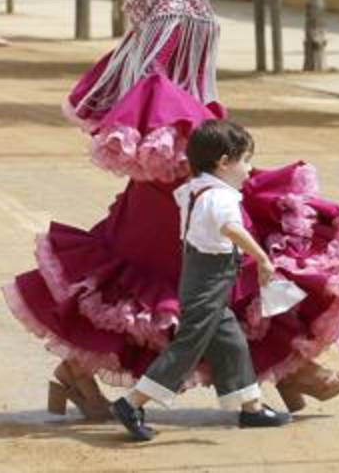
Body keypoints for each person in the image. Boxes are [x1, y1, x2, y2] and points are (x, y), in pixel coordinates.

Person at [3, 0, 339, 423]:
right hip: (179, 156)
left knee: (168, 266)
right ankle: (289, 370)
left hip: (185, 151)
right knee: (214, 260)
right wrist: (177, 146)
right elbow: (149, 77)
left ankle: (283, 370)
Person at [112, 119, 291, 441]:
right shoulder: (220, 197)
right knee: (189, 346)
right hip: (209, 279)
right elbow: (231, 229)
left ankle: (251, 407)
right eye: (245, 160)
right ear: (224, 162)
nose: (249, 170)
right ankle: (132, 402)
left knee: (230, 340)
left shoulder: (197, 189)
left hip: (202, 275)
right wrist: (262, 258)